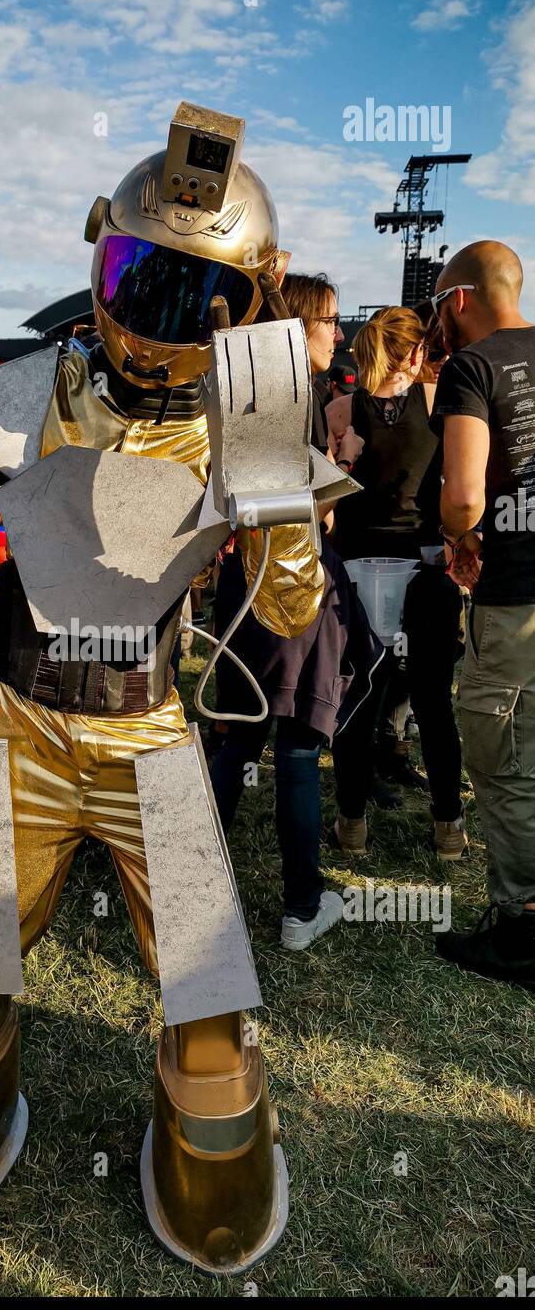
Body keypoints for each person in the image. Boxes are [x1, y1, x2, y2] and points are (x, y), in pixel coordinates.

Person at [0, 107, 325, 1274]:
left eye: (190, 292)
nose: (152, 314)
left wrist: (273, 483)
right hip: (5, 714)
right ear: (94, 254)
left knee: (209, 1029)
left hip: (144, 726)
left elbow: (285, 612)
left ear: (242, 306)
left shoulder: (241, 420)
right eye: (132, 271)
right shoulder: (38, 386)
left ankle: (204, 1160)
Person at [210, 271, 383, 943]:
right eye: (330, 322)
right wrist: (341, 469)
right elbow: (310, 514)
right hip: (293, 587)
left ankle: (188, 882)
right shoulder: (299, 395)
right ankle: (302, 907)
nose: (339, 335)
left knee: (241, 735)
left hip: (244, 584)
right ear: (299, 326)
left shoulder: (252, 389)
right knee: (302, 745)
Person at [429, 239, 535, 987]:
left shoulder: (474, 366)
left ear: (459, 300)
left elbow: (465, 494)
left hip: (514, 599)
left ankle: (520, 925)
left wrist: (459, 536)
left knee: (505, 767)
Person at [327, 307, 467, 857]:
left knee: (358, 700)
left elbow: (327, 510)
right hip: (425, 564)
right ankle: (449, 828)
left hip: (359, 567)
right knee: (434, 703)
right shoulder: (439, 402)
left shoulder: (340, 408)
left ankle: (351, 824)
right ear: (413, 354)